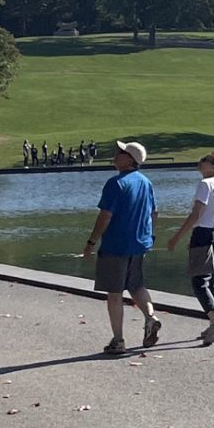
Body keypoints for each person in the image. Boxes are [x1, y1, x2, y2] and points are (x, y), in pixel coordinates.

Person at [80, 141, 160, 356]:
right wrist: (149, 236)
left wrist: (91, 242)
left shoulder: (115, 183)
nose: (116, 155)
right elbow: (154, 213)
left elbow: (105, 215)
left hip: (116, 245)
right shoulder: (145, 182)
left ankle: (118, 340)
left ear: (130, 159)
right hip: (139, 244)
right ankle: (151, 317)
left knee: (114, 293)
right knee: (136, 286)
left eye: (120, 152)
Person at [182, 152, 214, 345]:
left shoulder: (205, 184)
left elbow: (197, 214)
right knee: (213, 281)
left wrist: (178, 236)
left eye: (205, 161)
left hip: (205, 232)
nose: (200, 162)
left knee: (199, 281)